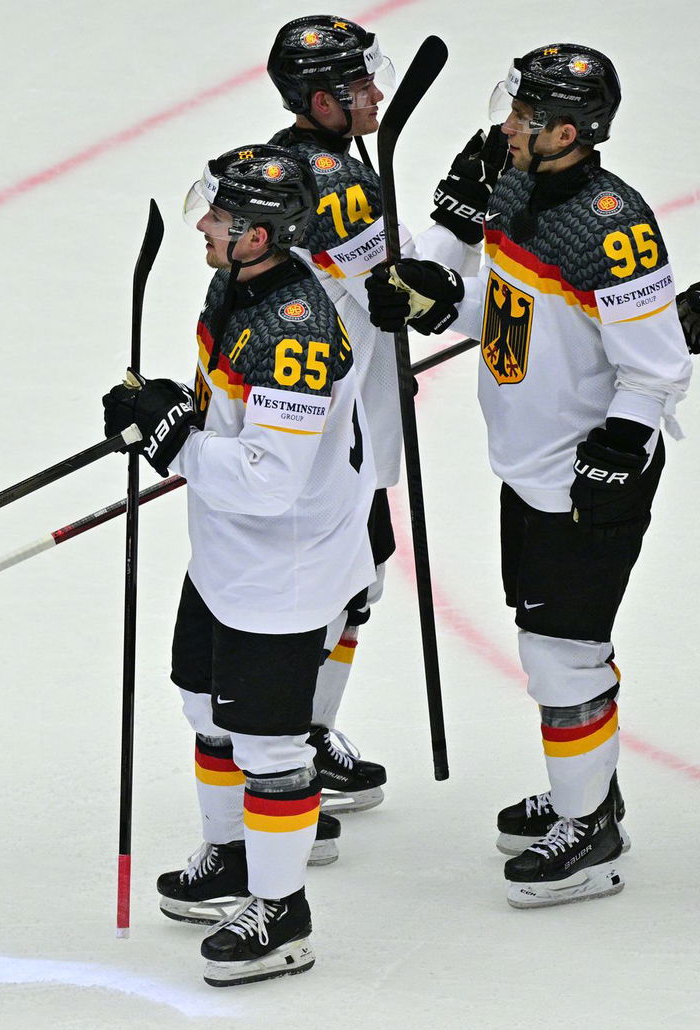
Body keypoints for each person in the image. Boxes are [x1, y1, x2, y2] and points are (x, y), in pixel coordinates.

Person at [364, 44, 688, 907]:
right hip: (529, 467)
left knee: (562, 657)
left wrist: (619, 452)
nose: (506, 126)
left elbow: (656, 366)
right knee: (550, 643)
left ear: (570, 133)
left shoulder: (611, 226)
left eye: (524, 117)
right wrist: (438, 301)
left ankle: (591, 834)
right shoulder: (514, 190)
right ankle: (591, 787)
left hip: (584, 476)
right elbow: (508, 307)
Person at [102, 143, 375, 986]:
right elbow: (227, 414)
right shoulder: (235, 286)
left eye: (219, 215)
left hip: (281, 570)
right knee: (200, 703)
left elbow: (270, 478)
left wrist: (174, 440)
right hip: (226, 552)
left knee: (269, 744)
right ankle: (230, 854)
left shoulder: (293, 328)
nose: (204, 225)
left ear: (261, 233)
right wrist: (167, 409)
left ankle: (281, 910)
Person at [265, 14, 492, 816]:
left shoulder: (303, 161)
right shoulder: (333, 179)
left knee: (353, 584)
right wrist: (462, 214)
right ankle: (283, 761)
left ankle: (307, 734)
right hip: (328, 428)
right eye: (361, 82)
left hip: (344, 416)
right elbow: (397, 290)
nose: (376, 92)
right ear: (320, 100)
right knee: (321, 590)